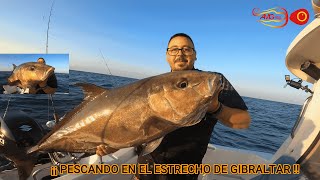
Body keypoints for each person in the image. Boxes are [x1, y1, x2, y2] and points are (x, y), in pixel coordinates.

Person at [96, 33, 251, 180]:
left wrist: (215, 108)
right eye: (174, 49)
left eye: (187, 49)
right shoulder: (157, 85)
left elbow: (244, 121)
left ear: (195, 55)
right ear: (167, 56)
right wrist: (114, 145)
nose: (180, 54)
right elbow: (142, 128)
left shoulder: (212, 80)